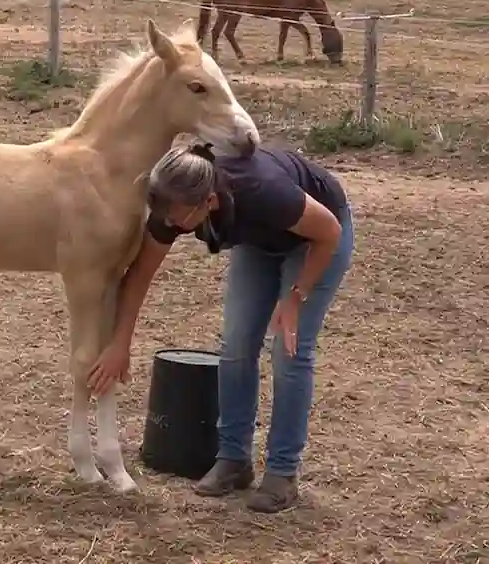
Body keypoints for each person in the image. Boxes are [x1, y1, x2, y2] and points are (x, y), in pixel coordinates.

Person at [87, 142, 355, 514]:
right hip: (260, 240)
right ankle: (233, 458)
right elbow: (141, 276)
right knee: (236, 345)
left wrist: (296, 297)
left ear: (209, 202)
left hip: (316, 238)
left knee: (289, 352)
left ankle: (282, 472)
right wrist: (120, 343)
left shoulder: (263, 190)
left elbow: (328, 231)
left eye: (176, 218)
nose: (169, 223)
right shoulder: (173, 199)